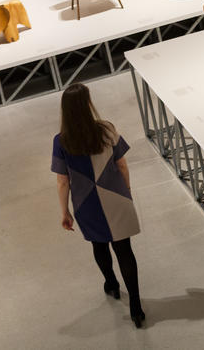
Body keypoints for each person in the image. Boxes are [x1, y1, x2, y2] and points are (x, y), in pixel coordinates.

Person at [51, 83, 146, 328]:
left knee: (99, 245)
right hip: (116, 198)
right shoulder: (106, 129)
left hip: (86, 204)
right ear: (87, 105)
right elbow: (122, 165)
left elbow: (63, 181)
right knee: (124, 250)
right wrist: (127, 193)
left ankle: (111, 284)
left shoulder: (61, 141)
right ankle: (136, 306)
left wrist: (65, 211)